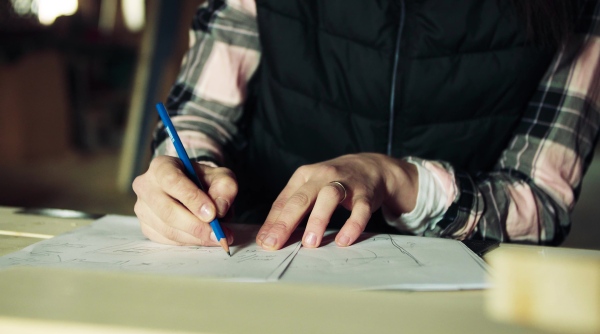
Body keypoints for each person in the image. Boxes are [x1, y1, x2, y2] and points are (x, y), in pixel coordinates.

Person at [133, 0, 600, 251]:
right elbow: (199, 114)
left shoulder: (576, 8)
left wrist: (401, 181)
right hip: (263, 256)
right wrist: (187, 171)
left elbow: (540, 203)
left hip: (453, 293)